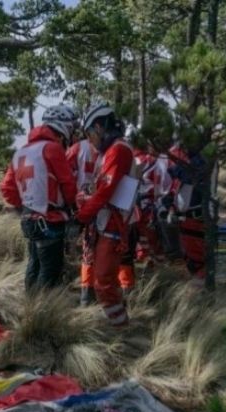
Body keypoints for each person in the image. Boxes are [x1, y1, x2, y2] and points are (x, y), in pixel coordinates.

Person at [0, 105, 78, 293]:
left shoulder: (20, 152)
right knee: (50, 271)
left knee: (34, 266)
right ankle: (45, 309)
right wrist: (74, 208)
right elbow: (68, 183)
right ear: (63, 127)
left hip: (28, 220)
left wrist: (27, 205)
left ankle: (31, 306)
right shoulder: (52, 149)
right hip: (50, 220)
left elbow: (7, 189)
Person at [75, 103, 138, 326]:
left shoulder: (118, 150)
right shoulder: (109, 152)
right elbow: (100, 189)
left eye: (89, 133)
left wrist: (81, 217)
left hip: (113, 224)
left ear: (99, 127)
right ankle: (118, 321)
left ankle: (120, 328)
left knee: (103, 280)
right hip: (106, 222)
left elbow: (105, 192)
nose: (89, 140)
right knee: (104, 279)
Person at [66, 123, 101, 305]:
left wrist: (74, 202)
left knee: (89, 251)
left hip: (85, 208)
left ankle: (87, 296)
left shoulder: (76, 149)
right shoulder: (110, 148)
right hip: (105, 208)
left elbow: (66, 177)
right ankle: (93, 293)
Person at [166, 145, 207, 287]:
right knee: (192, 258)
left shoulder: (201, 159)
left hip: (195, 216)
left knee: (198, 261)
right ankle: (199, 289)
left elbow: (185, 174)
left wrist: (172, 167)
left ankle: (202, 294)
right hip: (189, 216)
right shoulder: (195, 158)